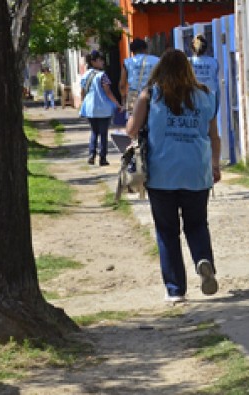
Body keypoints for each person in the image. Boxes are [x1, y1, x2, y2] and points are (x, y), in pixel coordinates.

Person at [125, 49, 221, 304]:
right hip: (197, 171)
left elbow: (132, 130)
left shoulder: (151, 94)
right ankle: (203, 260)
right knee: (197, 224)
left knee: (167, 231)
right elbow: (214, 136)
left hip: (161, 173)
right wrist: (215, 165)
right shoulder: (206, 96)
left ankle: (175, 289)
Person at [79, 50, 122, 166]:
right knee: (103, 133)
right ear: (94, 61)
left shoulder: (86, 75)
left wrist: (83, 104)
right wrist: (117, 104)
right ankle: (102, 158)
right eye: (100, 60)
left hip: (90, 108)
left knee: (94, 131)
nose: (102, 62)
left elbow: (82, 91)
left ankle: (91, 155)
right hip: (103, 108)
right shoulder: (102, 76)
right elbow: (108, 92)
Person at [120, 38, 160, 114]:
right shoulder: (157, 60)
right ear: (145, 48)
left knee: (132, 120)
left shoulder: (127, 62)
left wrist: (124, 100)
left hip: (133, 95)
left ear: (132, 51)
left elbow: (122, 84)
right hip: (152, 95)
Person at [189, 35, 219, 104]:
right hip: (210, 99)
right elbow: (216, 83)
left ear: (192, 48)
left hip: (194, 99)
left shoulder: (189, 62)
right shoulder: (214, 62)